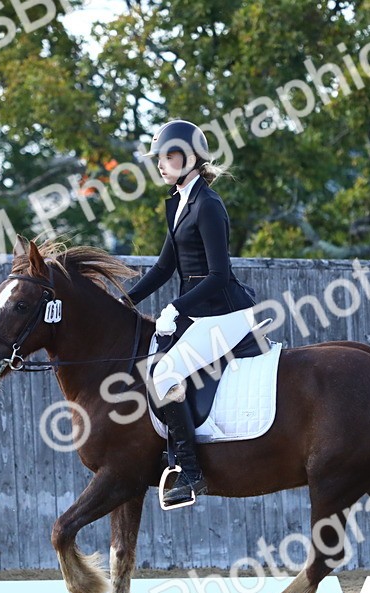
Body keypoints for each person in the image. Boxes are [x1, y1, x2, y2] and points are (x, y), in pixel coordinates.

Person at [126, 119, 259, 509]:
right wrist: (126, 300)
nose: (162, 165)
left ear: (191, 158)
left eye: (170, 156)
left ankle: (190, 471)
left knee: (165, 374)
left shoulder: (208, 205)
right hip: (198, 311)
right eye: (160, 158)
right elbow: (164, 268)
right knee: (155, 360)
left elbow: (219, 276)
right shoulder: (180, 202)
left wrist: (175, 307)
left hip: (225, 312)